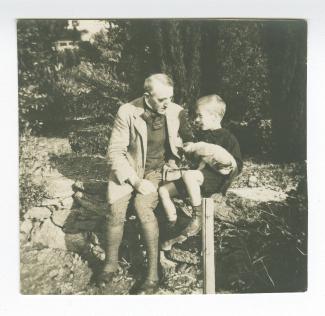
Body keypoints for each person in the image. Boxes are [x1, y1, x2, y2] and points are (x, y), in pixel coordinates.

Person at [98, 74, 184, 294]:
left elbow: (186, 142)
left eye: (171, 98)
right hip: (131, 170)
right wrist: (134, 180)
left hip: (158, 170)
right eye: (162, 99)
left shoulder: (175, 112)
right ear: (147, 96)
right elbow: (115, 152)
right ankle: (111, 264)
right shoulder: (127, 111)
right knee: (115, 209)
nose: (168, 103)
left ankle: (152, 275)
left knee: (142, 207)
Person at [159, 94, 243, 250]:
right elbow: (195, 157)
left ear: (215, 116)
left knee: (188, 175)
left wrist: (223, 190)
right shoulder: (202, 135)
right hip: (196, 178)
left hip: (212, 180)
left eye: (199, 116)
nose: (196, 120)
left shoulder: (228, 138)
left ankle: (197, 217)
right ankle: (172, 220)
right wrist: (185, 148)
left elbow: (236, 166)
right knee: (163, 190)